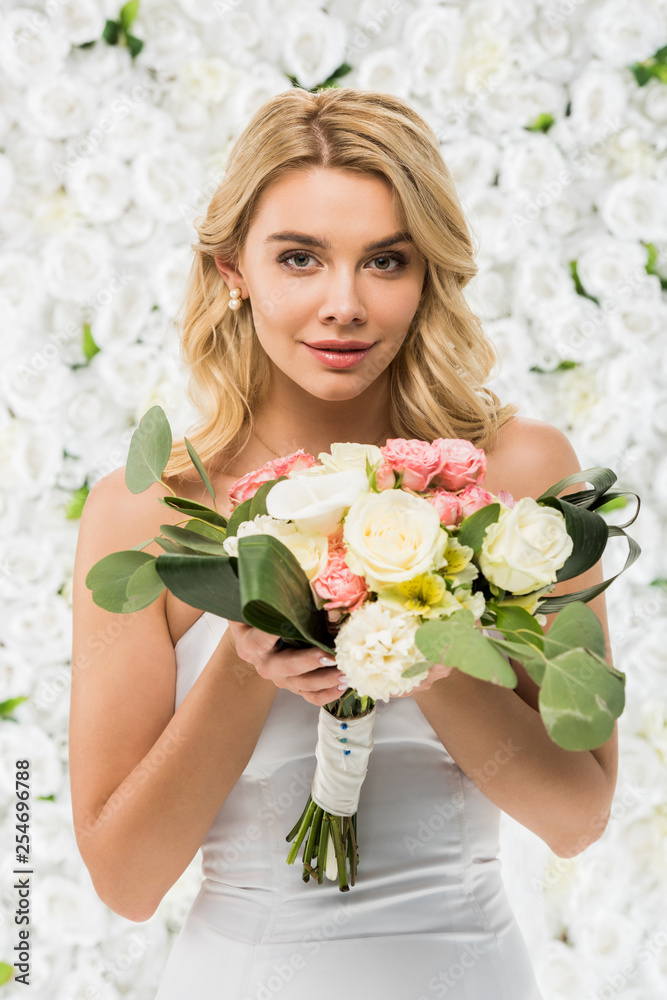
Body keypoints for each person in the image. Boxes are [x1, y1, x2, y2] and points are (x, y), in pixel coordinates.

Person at [69, 87, 617, 1000]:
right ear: (231, 268)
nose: (343, 305)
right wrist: (248, 663)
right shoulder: (146, 514)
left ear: (426, 272)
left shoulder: (522, 474)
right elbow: (125, 884)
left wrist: (421, 636)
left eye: (385, 261)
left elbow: (577, 820)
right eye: (299, 259)